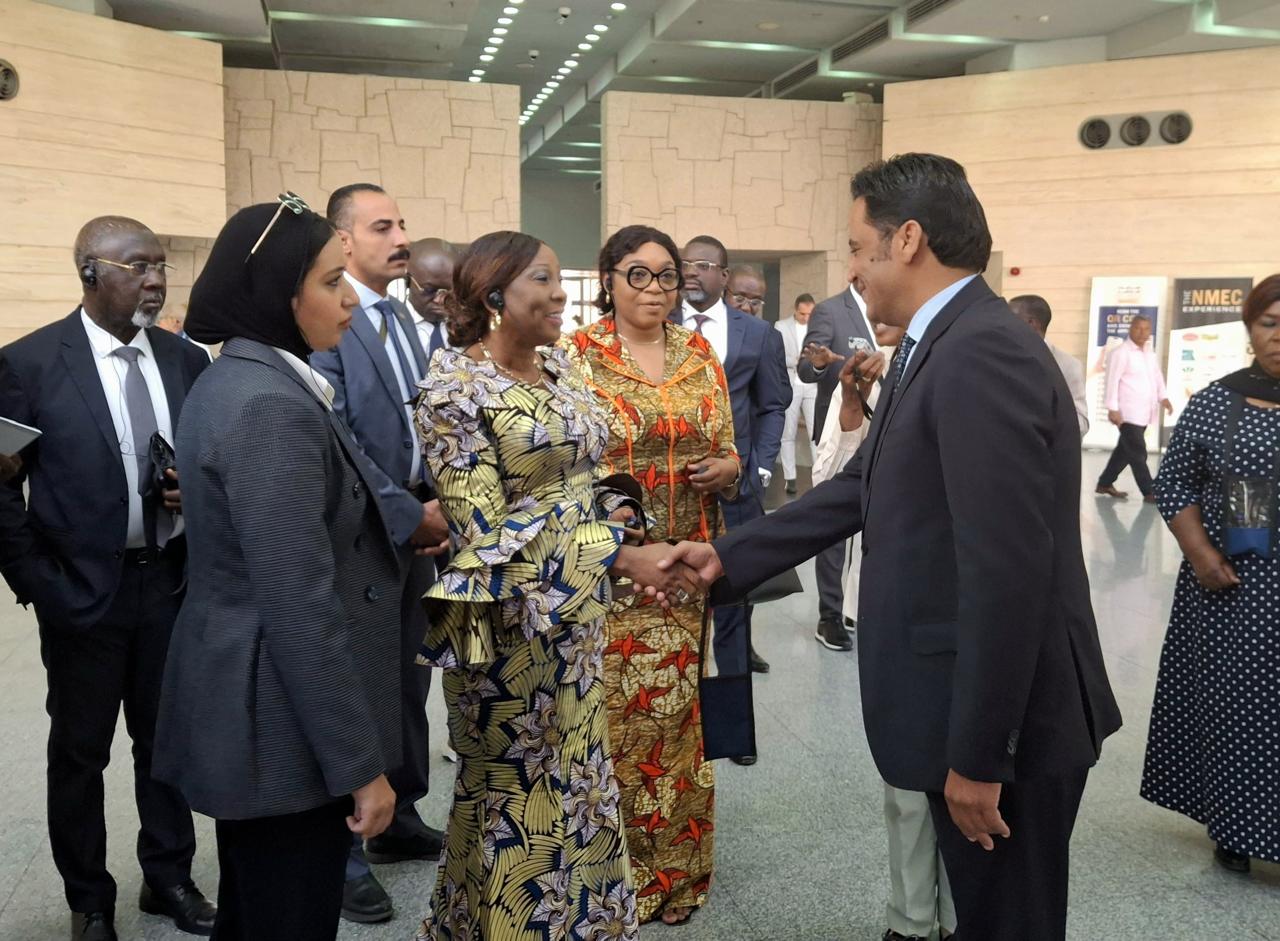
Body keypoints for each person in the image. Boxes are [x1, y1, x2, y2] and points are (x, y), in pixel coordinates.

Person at [660, 153, 1122, 941]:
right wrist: (728, 557)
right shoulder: (936, 342)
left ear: (906, 239)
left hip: (1008, 724)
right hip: (966, 703)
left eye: (855, 246)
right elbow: (862, 484)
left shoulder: (982, 351)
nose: (850, 269)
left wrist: (981, 755)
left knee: (1009, 922)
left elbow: (1007, 572)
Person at [411, 230, 693, 941]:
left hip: (577, 621)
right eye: (543, 278)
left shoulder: (559, 366)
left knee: (583, 785)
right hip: (508, 631)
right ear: (494, 295)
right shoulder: (453, 390)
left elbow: (585, 472)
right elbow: (484, 535)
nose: (562, 292)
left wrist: (619, 515)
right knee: (517, 801)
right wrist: (615, 555)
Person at [152, 198, 403, 941]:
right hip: (282, 720)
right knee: (286, 912)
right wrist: (359, 765)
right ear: (278, 295)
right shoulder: (269, 404)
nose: (349, 298)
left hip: (264, 701)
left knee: (258, 907)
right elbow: (300, 603)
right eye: (329, 282)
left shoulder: (247, 376)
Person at [0, 217, 214, 941]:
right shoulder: (28, 363)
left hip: (171, 583)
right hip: (80, 591)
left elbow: (213, 461)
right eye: (137, 267)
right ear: (90, 271)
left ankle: (169, 877)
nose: (155, 281)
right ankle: (89, 898)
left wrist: (196, 494)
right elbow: (1, 483)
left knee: (166, 741)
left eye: (161, 266)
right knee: (80, 751)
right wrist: (36, 578)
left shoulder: (187, 360)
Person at [565, 225, 739, 926]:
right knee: (617, 725)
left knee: (679, 721)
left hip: (689, 567)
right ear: (608, 279)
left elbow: (727, 445)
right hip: (614, 573)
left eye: (667, 275)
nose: (655, 289)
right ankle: (623, 874)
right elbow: (560, 468)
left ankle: (681, 870)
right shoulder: (575, 357)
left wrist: (727, 468)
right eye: (637, 274)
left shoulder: (700, 353)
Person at [310, 183, 449, 924]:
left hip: (417, 523)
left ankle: (400, 816)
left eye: (403, 225)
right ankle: (343, 853)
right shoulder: (331, 315)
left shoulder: (400, 317)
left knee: (406, 678)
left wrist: (438, 502)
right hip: (367, 531)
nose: (401, 238)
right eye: (383, 226)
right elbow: (341, 437)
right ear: (342, 239)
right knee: (359, 687)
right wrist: (407, 513)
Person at [811, 318, 956, 941]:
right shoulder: (874, 374)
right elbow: (831, 483)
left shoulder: (967, 361)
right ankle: (911, 918)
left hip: (966, 596)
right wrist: (852, 404)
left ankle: (961, 916)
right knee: (907, 774)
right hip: (895, 600)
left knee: (970, 777)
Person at [1140, 274, 1280, 874]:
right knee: (1238, 710)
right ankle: (1236, 827)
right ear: (1250, 328)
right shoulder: (1217, 401)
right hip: (1235, 588)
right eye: (1270, 323)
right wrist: (1200, 554)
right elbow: (1173, 482)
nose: (1279, 335)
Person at [673, 235, 790, 698]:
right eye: (685, 263)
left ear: (723, 276)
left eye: (703, 265)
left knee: (734, 603)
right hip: (670, 490)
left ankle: (732, 713)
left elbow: (772, 404)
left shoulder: (758, 334)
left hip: (736, 489)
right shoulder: (658, 322)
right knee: (672, 598)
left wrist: (758, 469)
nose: (691, 271)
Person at [797, 283, 874, 652]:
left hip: (884, 426)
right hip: (840, 427)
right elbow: (805, 367)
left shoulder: (895, 305)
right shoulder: (830, 310)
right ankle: (829, 613)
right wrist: (818, 363)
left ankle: (856, 605)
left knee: (873, 524)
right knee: (834, 522)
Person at [1096, 314, 1172, 502]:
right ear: (1130, 329)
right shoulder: (1120, 353)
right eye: (1138, 328)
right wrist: (1112, 408)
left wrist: (1163, 397)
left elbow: (1156, 377)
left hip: (1144, 412)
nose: (1142, 333)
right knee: (1138, 452)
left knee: (1124, 451)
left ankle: (1105, 483)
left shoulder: (1149, 354)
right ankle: (1149, 491)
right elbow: (1112, 380)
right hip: (1127, 413)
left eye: (1146, 329)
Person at [1008, 294, 1088, 436]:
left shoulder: (1067, 366)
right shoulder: (1002, 358)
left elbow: (1080, 423)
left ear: (1032, 323)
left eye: (1010, 318)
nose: (1004, 324)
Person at [777, 293, 818, 496]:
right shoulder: (781, 326)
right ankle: (790, 478)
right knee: (788, 433)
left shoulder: (818, 328)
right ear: (795, 310)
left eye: (810, 314)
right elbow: (776, 355)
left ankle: (819, 476)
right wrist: (797, 360)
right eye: (803, 314)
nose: (806, 318)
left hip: (812, 384)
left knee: (815, 433)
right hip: (791, 383)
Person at [407, 237, 457, 357]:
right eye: (429, 290)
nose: (440, 300)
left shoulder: (471, 327)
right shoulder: (390, 325)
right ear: (408, 281)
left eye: (450, 291)